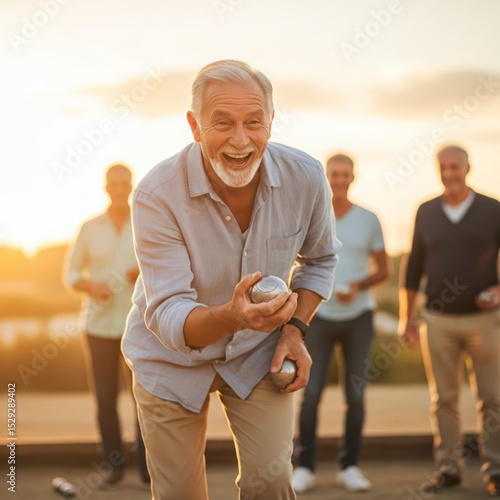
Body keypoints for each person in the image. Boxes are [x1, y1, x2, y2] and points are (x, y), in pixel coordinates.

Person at [121, 59, 341, 500]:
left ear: (271, 123)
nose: (241, 141)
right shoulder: (154, 194)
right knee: (179, 494)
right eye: (222, 123)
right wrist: (235, 316)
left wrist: (294, 330)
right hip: (167, 360)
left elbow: (320, 261)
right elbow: (168, 313)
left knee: (272, 484)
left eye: (254, 122)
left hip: (260, 355)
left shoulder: (307, 177)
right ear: (194, 125)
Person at [399, 144, 500, 496]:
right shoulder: (426, 212)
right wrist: (406, 318)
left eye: (455, 166)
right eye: (443, 167)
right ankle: (449, 468)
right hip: (437, 321)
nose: (450, 173)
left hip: (485, 322)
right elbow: (412, 268)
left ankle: (496, 470)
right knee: (443, 398)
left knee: (492, 397)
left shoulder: (492, 209)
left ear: (468, 168)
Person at [291, 153, 389, 494]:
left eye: (345, 174)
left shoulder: (369, 219)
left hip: (358, 317)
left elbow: (384, 269)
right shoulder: (311, 214)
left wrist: (359, 286)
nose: (339, 179)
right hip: (317, 317)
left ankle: (350, 466)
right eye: (334, 173)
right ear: (325, 177)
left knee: (356, 394)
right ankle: (304, 467)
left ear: (353, 177)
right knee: (311, 391)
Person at [65, 163, 149, 489]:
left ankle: (147, 468)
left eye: (124, 183)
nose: (119, 188)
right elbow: (71, 275)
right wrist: (91, 286)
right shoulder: (88, 228)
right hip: (97, 327)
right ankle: (114, 468)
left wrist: (142, 272)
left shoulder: (145, 223)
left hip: (138, 325)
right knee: (104, 400)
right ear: (105, 186)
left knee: (143, 398)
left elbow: (161, 262)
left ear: (131, 186)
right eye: (114, 183)